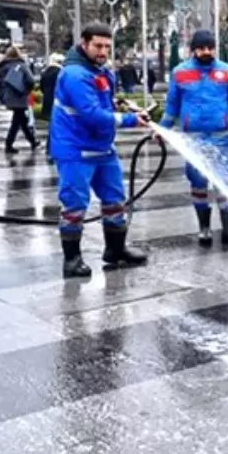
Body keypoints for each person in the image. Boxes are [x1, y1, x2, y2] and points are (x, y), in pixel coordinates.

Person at [49, 22, 150, 279]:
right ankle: (72, 261)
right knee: (74, 204)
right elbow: (92, 114)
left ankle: (115, 250)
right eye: (98, 46)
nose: (103, 51)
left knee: (115, 200)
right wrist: (129, 121)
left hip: (103, 148)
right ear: (84, 44)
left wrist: (127, 108)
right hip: (75, 149)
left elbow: (105, 102)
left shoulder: (102, 72)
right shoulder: (74, 75)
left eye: (107, 46)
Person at [159, 30, 228, 249]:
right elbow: (172, 105)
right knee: (199, 183)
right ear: (193, 50)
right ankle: (204, 228)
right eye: (202, 48)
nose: (206, 52)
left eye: (210, 48)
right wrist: (163, 129)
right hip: (194, 139)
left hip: (221, 137)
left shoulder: (227, 72)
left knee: (224, 184)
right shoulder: (180, 73)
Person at [0, 46, 39, 154]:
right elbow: (31, 80)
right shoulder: (21, 65)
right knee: (16, 122)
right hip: (19, 97)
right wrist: (26, 91)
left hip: (7, 96)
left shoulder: (2, 66)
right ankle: (8, 144)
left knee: (22, 120)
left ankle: (32, 141)